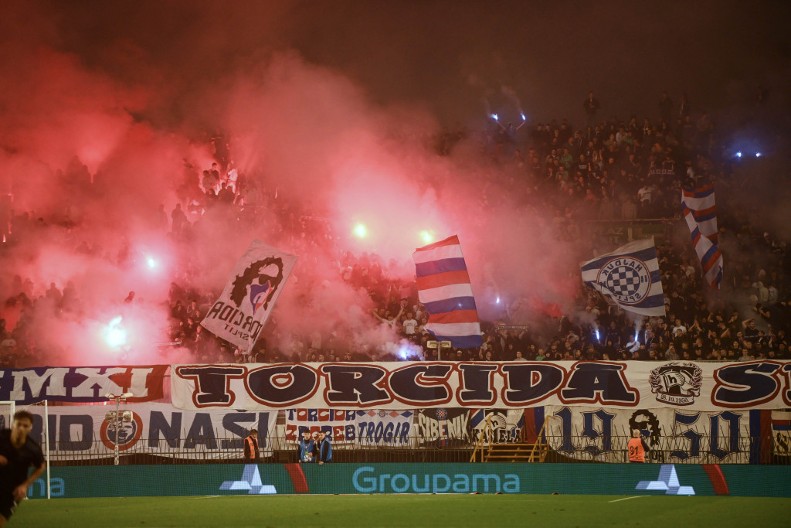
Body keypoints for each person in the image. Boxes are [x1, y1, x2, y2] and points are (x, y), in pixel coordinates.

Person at [0, 410, 45, 527]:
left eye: (25, 426)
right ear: (12, 424)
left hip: (12, 491)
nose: (21, 428)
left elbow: (41, 467)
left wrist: (25, 485)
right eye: (18, 424)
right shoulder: (2, 437)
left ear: (30, 428)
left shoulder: (33, 449)